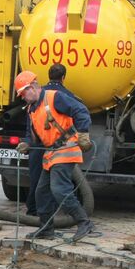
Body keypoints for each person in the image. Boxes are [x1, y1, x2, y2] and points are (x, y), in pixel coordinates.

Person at [15, 69, 94, 241]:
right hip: (51, 154)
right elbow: (32, 134)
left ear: (33, 87)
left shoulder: (54, 97)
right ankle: (46, 229)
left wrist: (83, 133)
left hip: (66, 149)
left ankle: (84, 222)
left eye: (23, 93)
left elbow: (81, 111)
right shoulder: (31, 109)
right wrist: (26, 143)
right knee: (41, 192)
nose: (22, 97)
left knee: (59, 189)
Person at [25, 63, 78, 216]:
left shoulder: (37, 93)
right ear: (63, 77)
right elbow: (75, 117)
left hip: (37, 146)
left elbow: (31, 124)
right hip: (57, 147)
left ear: (48, 76)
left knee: (37, 179)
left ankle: (33, 210)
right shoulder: (66, 95)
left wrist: (28, 142)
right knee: (55, 182)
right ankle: (50, 214)